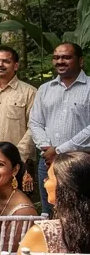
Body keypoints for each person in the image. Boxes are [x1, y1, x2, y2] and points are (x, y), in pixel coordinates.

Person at [29, 42, 90, 215]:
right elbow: (35, 122)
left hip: (81, 161)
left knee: (81, 211)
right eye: (56, 57)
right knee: (50, 210)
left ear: (81, 61)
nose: (60, 61)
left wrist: (61, 150)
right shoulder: (45, 89)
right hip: (47, 161)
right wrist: (47, 148)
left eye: (66, 57)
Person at [0, 46, 37, 171]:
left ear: (16, 66)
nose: (0, 64)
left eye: (6, 61)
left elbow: (34, 126)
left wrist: (18, 155)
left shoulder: (29, 92)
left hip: (19, 161)